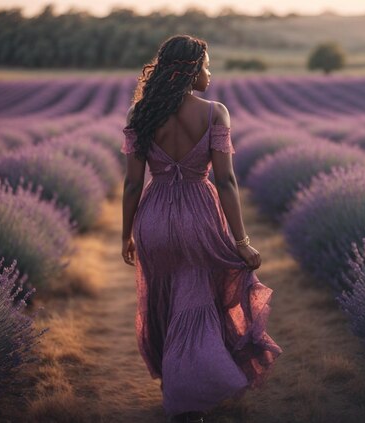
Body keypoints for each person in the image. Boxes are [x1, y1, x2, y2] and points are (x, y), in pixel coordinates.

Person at [120, 34, 282, 423]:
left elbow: (131, 184)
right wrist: (241, 242)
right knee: (194, 306)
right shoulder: (214, 113)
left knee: (164, 303)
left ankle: (177, 388)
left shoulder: (140, 116)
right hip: (199, 217)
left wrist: (125, 233)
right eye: (206, 65)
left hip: (154, 218)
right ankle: (187, 403)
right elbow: (226, 181)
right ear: (191, 70)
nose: (210, 72)